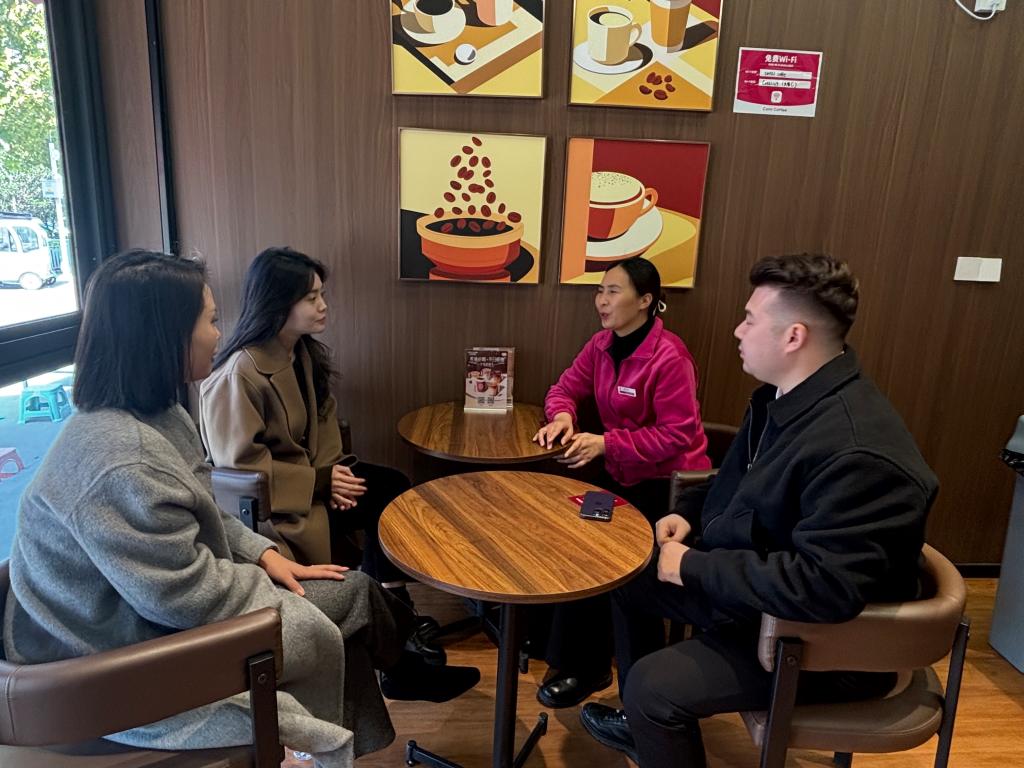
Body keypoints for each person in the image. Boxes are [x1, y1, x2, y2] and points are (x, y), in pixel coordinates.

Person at [2, 251, 477, 768]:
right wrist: (275, 584)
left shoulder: (159, 415)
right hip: (103, 664)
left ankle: (346, 735)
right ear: (165, 336)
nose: (217, 334)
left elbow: (201, 505)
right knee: (346, 601)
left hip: (152, 608)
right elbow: (184, 597)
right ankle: (346, 725)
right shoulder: (123, 461)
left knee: (353, 592)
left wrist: (265, 555)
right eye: (209, 320)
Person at [580, 253, 938, 768]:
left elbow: (823, 588)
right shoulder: (779, 398)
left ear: (793, 337)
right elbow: (738, 482)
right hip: (761, 596)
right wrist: (691, 516)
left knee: (652, 688)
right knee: (628, 573)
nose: (738, 330)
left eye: (749, 319)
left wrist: (694, 566)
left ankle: (649, 715)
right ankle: (646, 728)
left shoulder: (859, 453)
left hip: (827, 645)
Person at [200, 247, 444, 665]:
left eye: (322, 294)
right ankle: (397, 631)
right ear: (278, 303)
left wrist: (336, 477)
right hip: (276, 510)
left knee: (393, 488)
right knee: (384, 493)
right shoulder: (239, 373)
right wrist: (320, 483)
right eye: (310, 297)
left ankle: (395, 608)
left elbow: (326, 423)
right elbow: (240, 472)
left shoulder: (302, 353)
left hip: (315, 485)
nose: (323, 306)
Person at [529, 256, 711, 708]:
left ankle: (641, 693)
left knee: (626, 564)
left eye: (613, 291)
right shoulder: (601, 345)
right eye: (600, 291)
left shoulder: (670, 356)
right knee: (578, 541)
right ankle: (581, 665)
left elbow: (676, 435)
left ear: (646, 300)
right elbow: (563, 388)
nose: (602, 300)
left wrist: (607, 443)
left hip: (672, 486)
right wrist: (563, 416)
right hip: (622, 475)